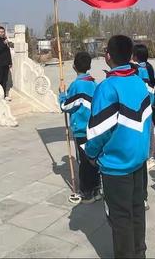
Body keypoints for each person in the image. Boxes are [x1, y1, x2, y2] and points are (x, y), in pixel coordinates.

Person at [85, 35, 152, 259]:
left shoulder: (107, 88)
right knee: (137, 211)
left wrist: (91, 154)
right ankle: (139, 253)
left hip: (117, 165)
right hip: (139, 161)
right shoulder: (138, 81)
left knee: (120, 218)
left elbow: (98, 132)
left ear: (108, 56)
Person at [58, 52, 100, 204]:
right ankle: (96, 189)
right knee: (93, 159)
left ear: (74, 66)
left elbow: (66, 106)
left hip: (81, 129)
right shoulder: (94, 83)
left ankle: (87, 193)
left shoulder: (76, 85)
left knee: (84, 162)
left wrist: (62, 94)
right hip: (94, 128)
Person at [132, 44, 155, 173]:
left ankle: (148, 156)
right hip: (150, 102)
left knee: (146, 129)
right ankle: (150, 155)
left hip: (142, 103)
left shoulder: (138, 69)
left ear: (135, 56)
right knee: (149, 128)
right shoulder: (149, 67)